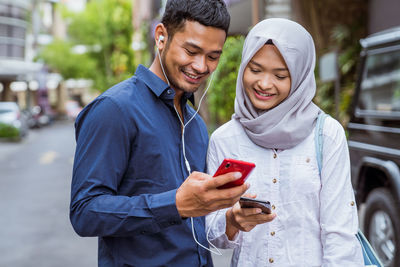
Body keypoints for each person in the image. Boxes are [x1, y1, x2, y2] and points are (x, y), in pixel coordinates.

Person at [69, 1, 250, 266]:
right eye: (191, 50)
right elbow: (85, 212)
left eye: (213, 56)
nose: (201, 66)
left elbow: (194, 222)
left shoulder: (196, 124)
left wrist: (230, 219)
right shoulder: (114, 109)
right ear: (161, 36)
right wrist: (174, 205)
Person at [205, 18, 365, 266]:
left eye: (280, 75)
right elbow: (212, 238)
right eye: (255, 70)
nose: (264, 84)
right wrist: (232, 221)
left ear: (300, 77)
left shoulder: (326, 135)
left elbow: (340, 235)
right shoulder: (225, 140)